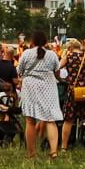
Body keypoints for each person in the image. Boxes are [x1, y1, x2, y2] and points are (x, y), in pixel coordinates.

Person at [16, 26, 62, 160]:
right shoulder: (52, 54)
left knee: (30, 121)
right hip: (48, 88)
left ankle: (31, 153)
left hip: (30, 88)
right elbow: (57, 72)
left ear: (33, 41)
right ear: (45, 41)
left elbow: (19, 71)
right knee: (50, 120)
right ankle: (53, 151)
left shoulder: (26, 54)